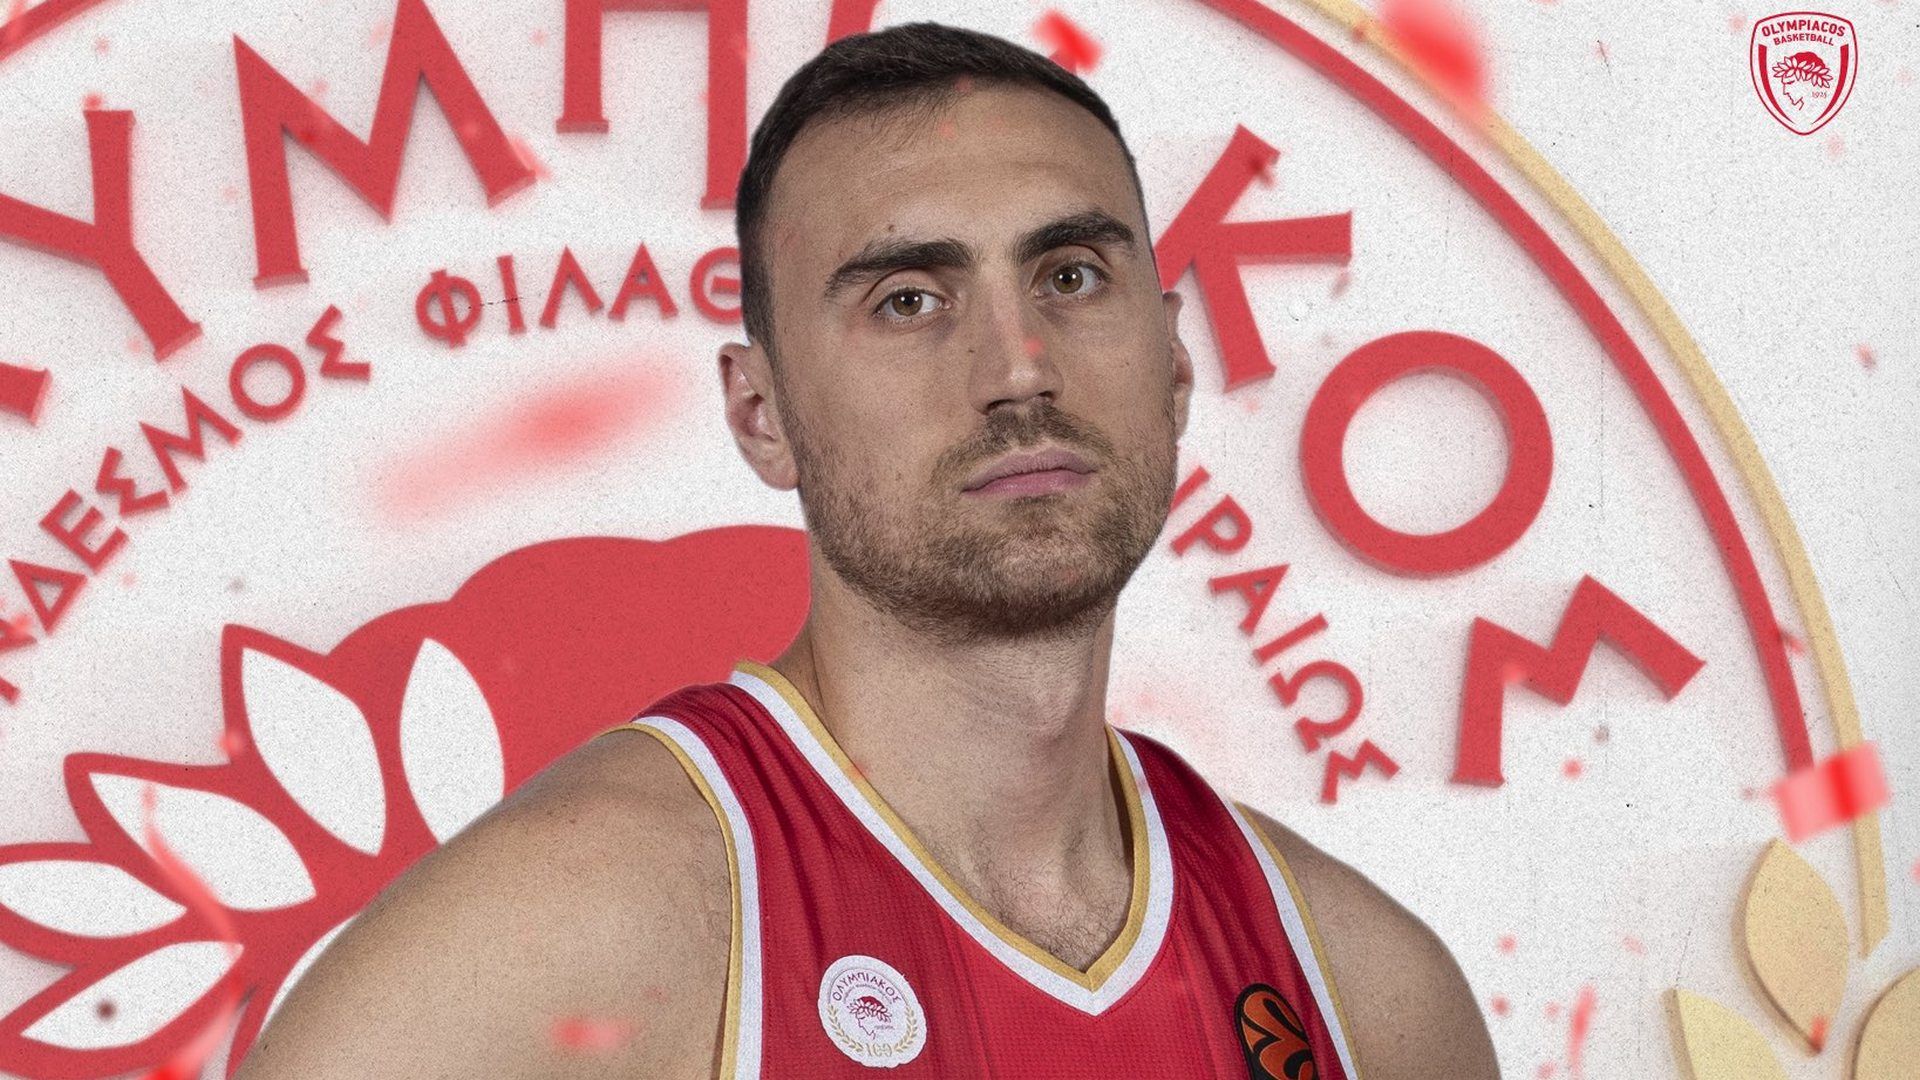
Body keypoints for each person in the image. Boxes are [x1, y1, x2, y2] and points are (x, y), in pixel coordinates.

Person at [234, 20, 1498, 1079]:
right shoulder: (572, 934)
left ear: (1172, 364)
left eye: (1070, 277)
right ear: (761, 415)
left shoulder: (1364, 991)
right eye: (909, 300)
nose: (1018, 369)